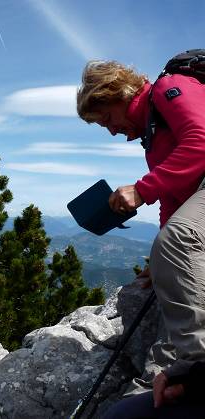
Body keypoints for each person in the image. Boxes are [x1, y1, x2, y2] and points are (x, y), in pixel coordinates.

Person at [78, 59, 205, 417]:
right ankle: (167, 372)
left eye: (107, 119)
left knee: (178, 241)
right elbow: (175, 199)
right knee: (169, 263)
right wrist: (159, 260)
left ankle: (199, 368)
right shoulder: (153, 139)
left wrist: (141, 189)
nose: (112, 130)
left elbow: (201, 141)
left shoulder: (169, 89)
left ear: (117, 95)